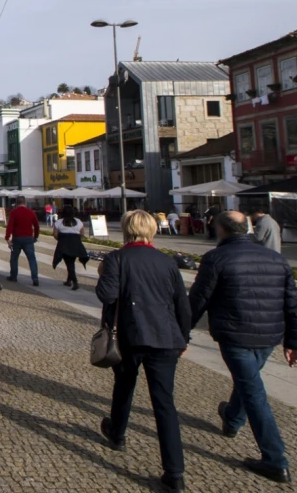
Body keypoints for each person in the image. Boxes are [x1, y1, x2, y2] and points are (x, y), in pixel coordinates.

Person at [189, 211, 297, 485]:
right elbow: (294, 304)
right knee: (248, 382)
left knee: (254, 393)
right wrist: (294, 342)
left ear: (220, 229)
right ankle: (231, 419)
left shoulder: (216, 258)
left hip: (235, 335)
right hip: (269, 336)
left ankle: (275, 460)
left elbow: (198, 301)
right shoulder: (277, 259)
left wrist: (181, 334)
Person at [95, 210, 192, 492]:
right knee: (164, 403)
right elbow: (182, 305)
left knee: (124, 386)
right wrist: (183, 339)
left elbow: (107, 295)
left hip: (130, 336)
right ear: (152, 230)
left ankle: (118, 432)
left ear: (125, 230)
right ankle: (174, 473)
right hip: (165, 338)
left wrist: (104, 274)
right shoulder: (167, 261)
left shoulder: (117, 258)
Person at [4, 196, 41, 285]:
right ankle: (35, 278)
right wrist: (35, 237)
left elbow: (10, 226)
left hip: (17, 238)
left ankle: (13, 276)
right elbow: (37, 226)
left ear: (16, 203)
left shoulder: (14, 212)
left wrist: (7, 238)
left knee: (14, 258)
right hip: (29, 238)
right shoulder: (31, 212)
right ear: (25, 203)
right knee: (32, 259)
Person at [51, 205, 87, 290]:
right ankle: (68, 280)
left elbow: (55, 235)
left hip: (64, 245)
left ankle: (75, 281)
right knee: (71, 262)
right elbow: (82, 234)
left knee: (69, 263)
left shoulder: (59, 222)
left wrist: (61, 239)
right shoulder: (78, 222)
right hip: (76, 245)